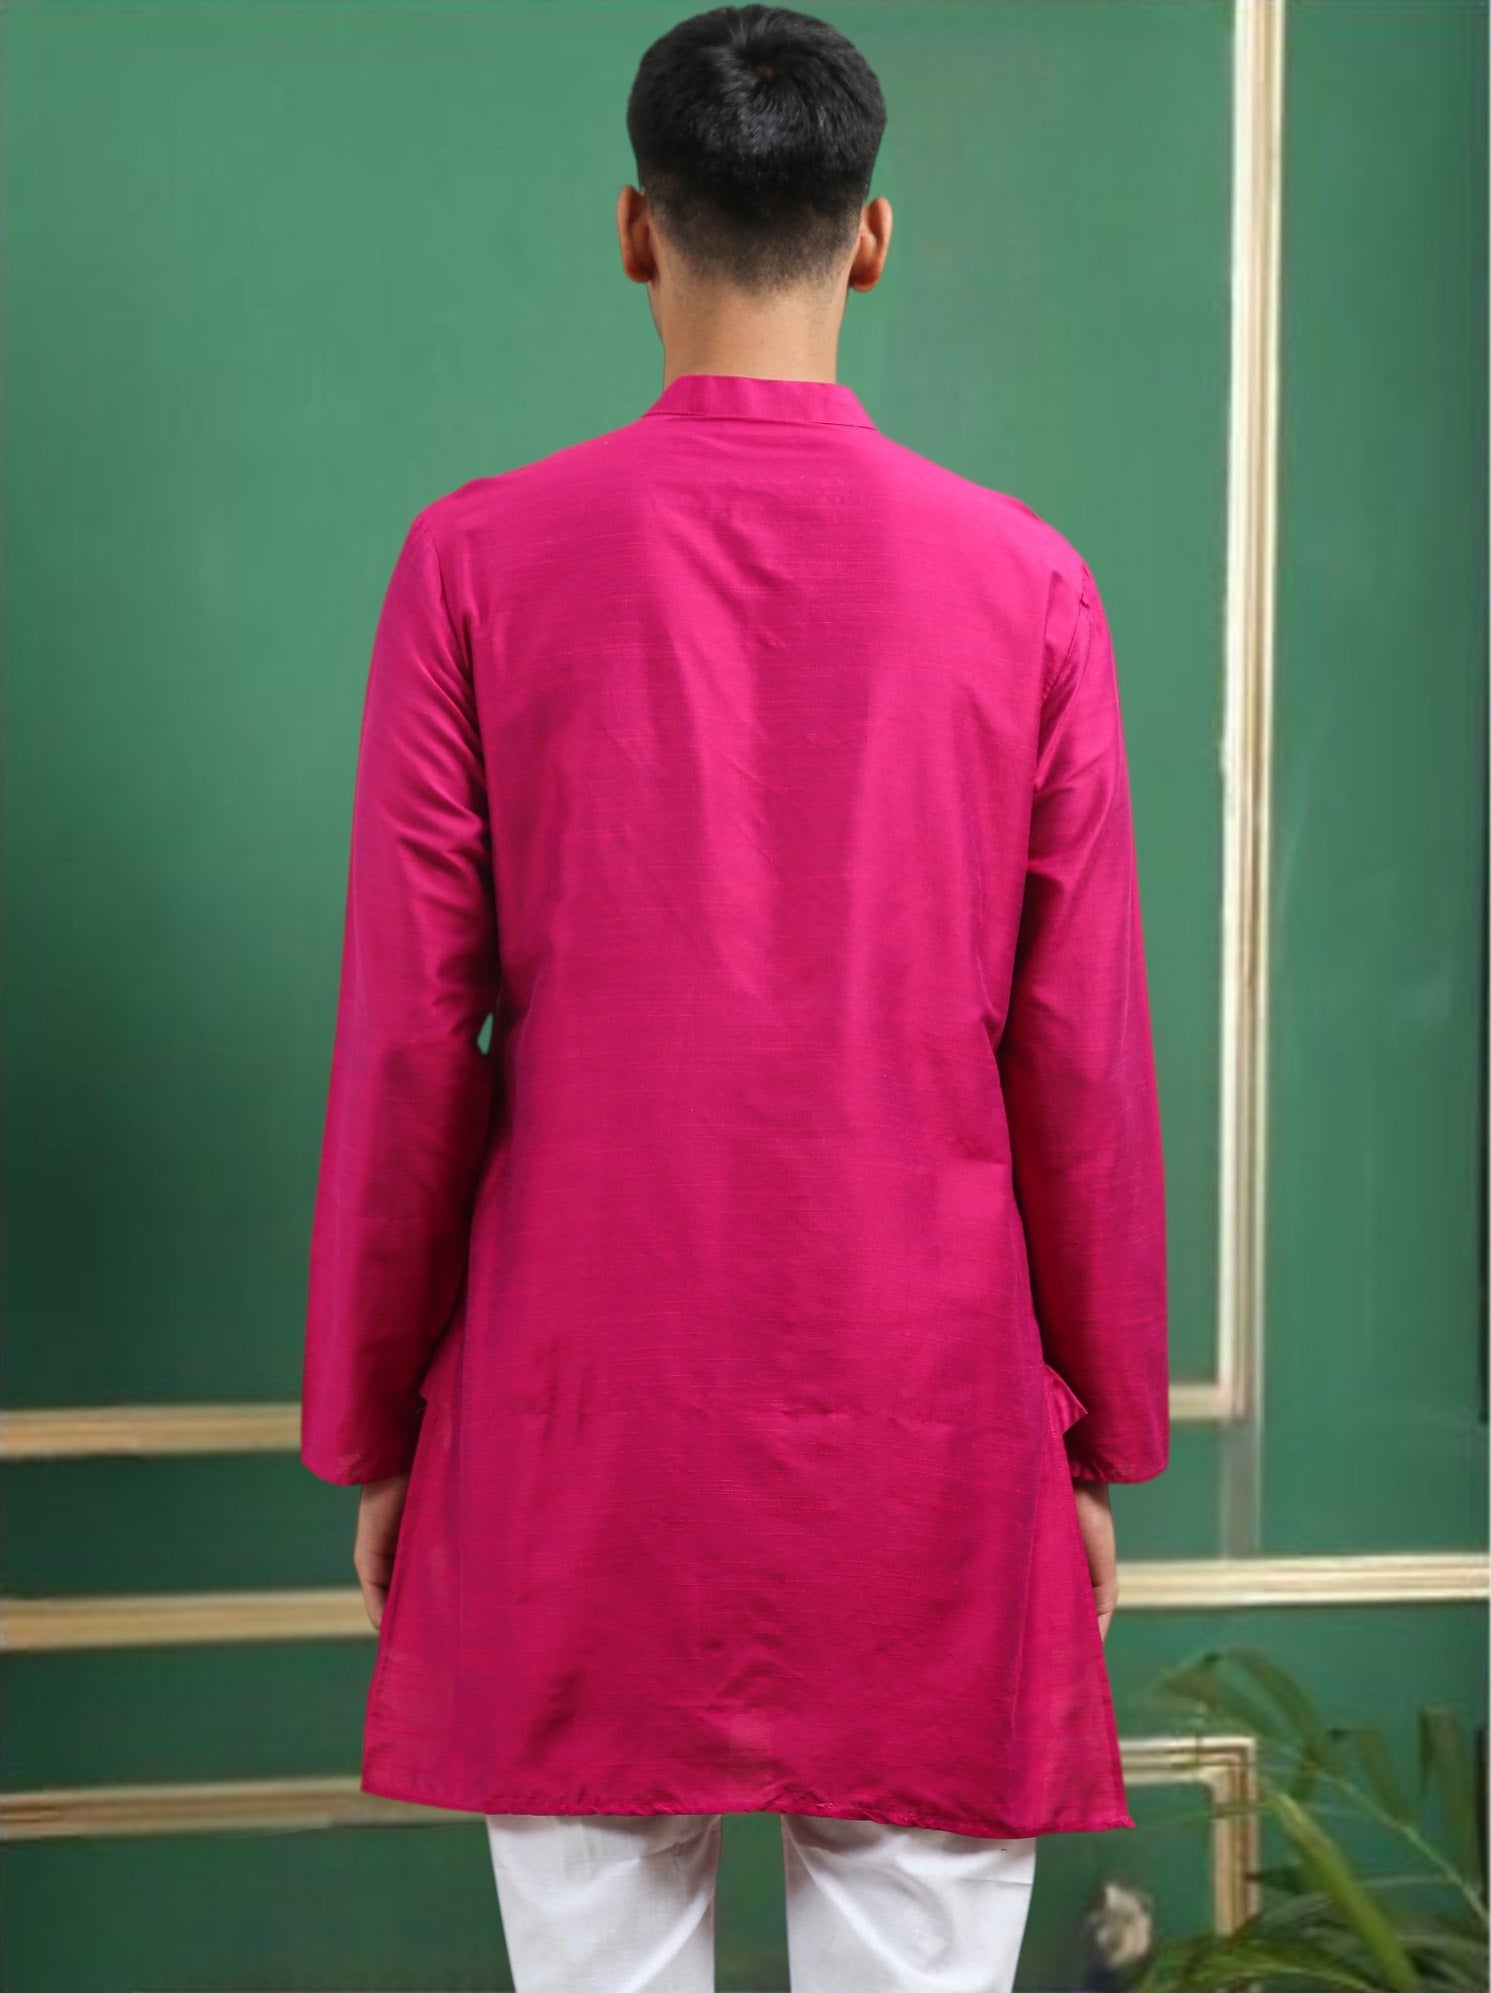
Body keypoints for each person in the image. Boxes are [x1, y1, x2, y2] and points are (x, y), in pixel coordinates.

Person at [300, 5, 1170, 1988]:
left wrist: (375, 1425)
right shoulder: (1029, 588)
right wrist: (1096, 1444)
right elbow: (1080, 1066)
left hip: (576, 1431)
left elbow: (413, 1040)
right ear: (872, 239)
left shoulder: (470, 567)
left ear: (633, 229)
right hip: (927, 1440)